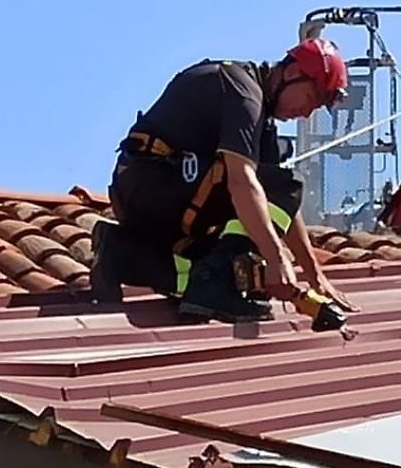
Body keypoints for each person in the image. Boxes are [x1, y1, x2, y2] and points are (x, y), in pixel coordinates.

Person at [89, 35, 360, 323]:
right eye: (311, 99)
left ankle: (120, 254)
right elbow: (244, 182)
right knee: (278, 187)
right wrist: (276, 257)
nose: (306, 113)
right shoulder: (243, 92)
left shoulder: (260, 116)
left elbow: (284, 207)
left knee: (205, 268)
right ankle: (214, 287)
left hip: (147, 195)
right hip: (154, 182)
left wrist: (315, 276)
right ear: (293, 73)